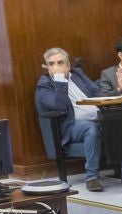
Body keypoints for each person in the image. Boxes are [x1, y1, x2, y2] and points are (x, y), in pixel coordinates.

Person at [35, 50, 108, 191]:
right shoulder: (44, 85)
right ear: (47, 68)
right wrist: (60, 80)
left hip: (98, 118)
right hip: (71, 126)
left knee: (120, 120)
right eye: (51, 64)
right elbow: (59, 106)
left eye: (60, 63)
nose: (56, 67)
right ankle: (92, 178)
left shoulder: (78, 75)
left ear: (68, 65)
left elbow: (97, 93)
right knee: (90, 128)